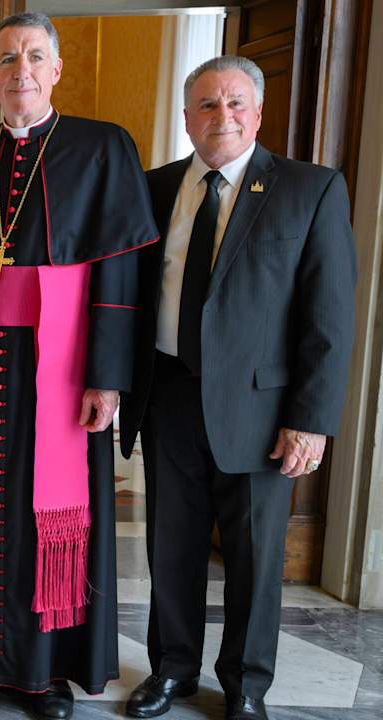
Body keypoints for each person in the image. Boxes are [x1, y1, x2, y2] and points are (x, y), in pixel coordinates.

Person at [0, 12, 159, 719]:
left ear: (55, 70)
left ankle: (44, 668)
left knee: (49, 511)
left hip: (59, 365)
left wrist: (108, 375)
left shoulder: (101, 147)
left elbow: (119, 272)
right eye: (5, 58)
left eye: (33, 56)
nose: (19, 69)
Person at [120, 56, 357, 720]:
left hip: (262, 408)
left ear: (256, 113)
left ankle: (246, 685)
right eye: (205, 104)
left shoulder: (309, 189)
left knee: (254, 557)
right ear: (186, 115)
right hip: (167, 394)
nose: (220, 116)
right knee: (171, 546)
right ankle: (170, 671)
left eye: (234, 104)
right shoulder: (155, 188)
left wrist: (311, 420)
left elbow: (329, 317)